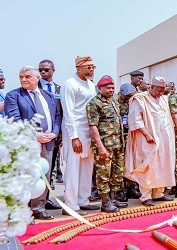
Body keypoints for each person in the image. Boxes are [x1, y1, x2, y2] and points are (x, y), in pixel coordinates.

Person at [4, 66, 62, 220]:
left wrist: (55, 132)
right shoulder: (13, 96)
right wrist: (35, 135)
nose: (23, 79)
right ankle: (22, 212)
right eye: (21, 76)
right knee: (25, 177)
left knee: (44, 176)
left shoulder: (48, 95)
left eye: (27, 76)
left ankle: (39, 207)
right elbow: (14, 121)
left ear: (37, 78)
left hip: (48, 142)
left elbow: (56, 116)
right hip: (27, 145)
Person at [124, 76, 176, 207]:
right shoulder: (140, 99)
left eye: (162, 90)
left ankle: (158, 193)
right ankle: (145, 195)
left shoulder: (163, 99)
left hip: (164, 139)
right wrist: (147, 135)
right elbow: (136, 120)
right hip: (147, 139)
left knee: (163, 164)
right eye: (158, 90)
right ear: (151, 87)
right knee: (148, 166)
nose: (160, 93)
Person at [61, 56, 100, 215]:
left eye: (93, 67)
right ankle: (70, 204)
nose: (91, 70)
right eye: (88, 67)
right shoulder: (70, 84)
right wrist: (74, 137)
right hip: (75, 130)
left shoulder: (91, 85)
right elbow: (68, 112)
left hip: (88, 130)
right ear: (78, 68)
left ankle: (83, 200)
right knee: (73, 167)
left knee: (87, 166)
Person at [86, 76, 128, 213]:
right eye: (108, 88)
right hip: (105, 145)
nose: (111, 90)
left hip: (118, 144)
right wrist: (100, 147)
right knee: (103, 174)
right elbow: (93, 127)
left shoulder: (114, 101)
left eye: (112, 88)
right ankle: (105, 202)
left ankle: (113, 198)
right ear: (100, 88)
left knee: (117, 173)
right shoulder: (94, 103)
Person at [37, 59, 64, 209]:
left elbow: (60, 111)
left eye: (46, 70)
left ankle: (46, 198)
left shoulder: (59, 88)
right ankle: (37, 202)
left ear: (53, 70)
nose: (42, 72)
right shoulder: (35, 87)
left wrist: (58, 132)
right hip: (40, 134)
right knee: (39, 169)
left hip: (55, 134)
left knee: (51, 166)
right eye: (40, 70)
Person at [116, 83, 138, 202]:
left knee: (131, 163)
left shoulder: (133, 101)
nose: (130, 98)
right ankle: (120, 190)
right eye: (128, 96)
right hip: (119, 137)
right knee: (120, 165)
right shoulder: (115, 102)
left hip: (131, 135)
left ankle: (131, 187)